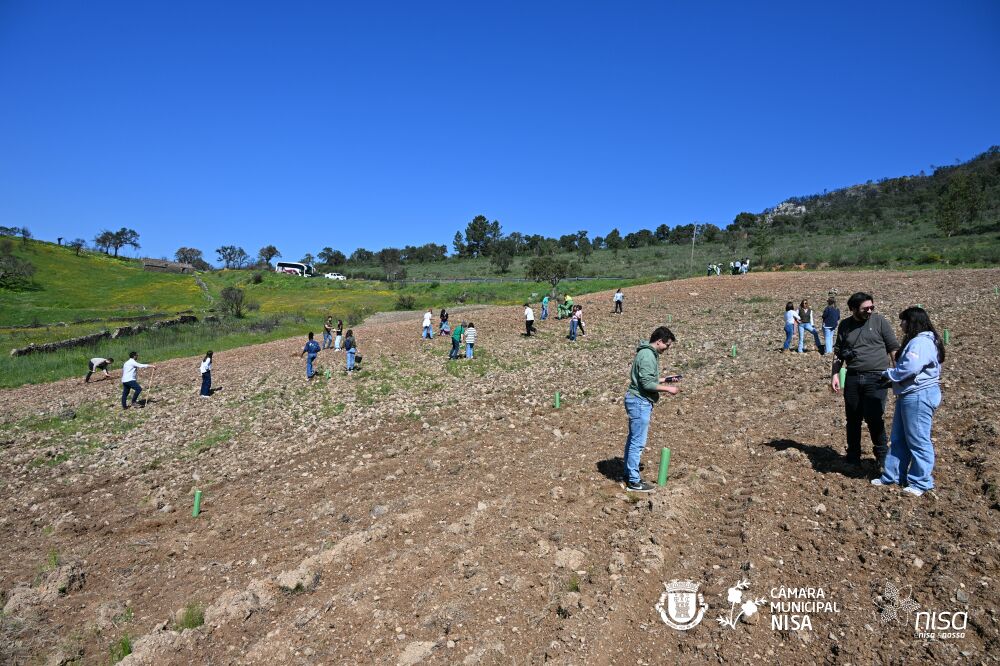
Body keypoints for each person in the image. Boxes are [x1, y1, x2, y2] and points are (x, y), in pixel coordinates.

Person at [871, 307, 944, 497]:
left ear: (912, 322)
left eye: (903, 320)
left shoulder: (920, 342)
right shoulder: (921, 341)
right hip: (909, 394)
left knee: (918, 440)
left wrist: (888, 374)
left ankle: (921, 482)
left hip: (918, 395)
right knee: (899, 439)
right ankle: (893, 476)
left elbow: (909, 368)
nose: (901, 324)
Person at [831, 292, 900, 472]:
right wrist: (835, 374)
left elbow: (893, 348)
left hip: (877, 378)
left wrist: (900, 374)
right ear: (853, 309)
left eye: (872, 307)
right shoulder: (845, 325)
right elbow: (838, 352)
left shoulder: (879, 322)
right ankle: (853, 458)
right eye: (865, 308)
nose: (869, 311)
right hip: (853, 377)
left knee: (874, 417)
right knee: (852, 419)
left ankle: (883, 458)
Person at [622, 327, 681, 492]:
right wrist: (669, 389)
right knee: (637, 443)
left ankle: (628, 474)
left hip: (636, 400)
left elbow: (647, 378)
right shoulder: (648, 356)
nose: (667, 349)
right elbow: (647, 384)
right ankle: (634, 481)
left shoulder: (645, 353)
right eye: (667, 345)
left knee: (633, 439)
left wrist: (666, 379)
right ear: (659, 341)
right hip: (640, 402)